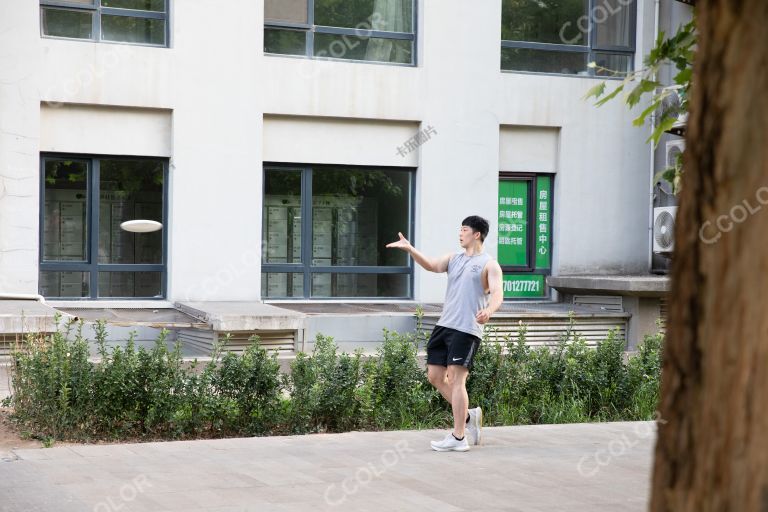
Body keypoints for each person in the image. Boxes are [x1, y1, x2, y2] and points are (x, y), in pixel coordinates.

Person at [387, 215, 503, 451]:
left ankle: (459, 437)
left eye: (464, 230)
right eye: (459, 229)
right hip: (444, 326)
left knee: (457, 379)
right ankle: (469, 418)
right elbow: (431, 265)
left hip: (467, 329)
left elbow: (498, 294)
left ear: (476, 234)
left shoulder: (489, 264)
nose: (460, 234)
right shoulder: (454, 258)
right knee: (435, 376)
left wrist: (489, 310)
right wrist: (410, 249)